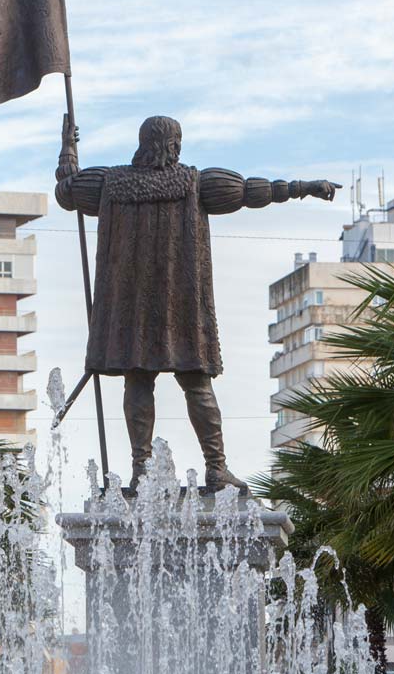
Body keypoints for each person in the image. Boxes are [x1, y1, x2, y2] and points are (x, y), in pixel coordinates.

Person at [55, 114, 338, 490]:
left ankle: (142, 472)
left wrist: (68, 150)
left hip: (129, 308)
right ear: (174, 145)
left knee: (138, 382)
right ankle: (215, 468)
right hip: (181, 304)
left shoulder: (111, 182)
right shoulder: (194, 182)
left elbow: (67, 189)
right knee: (197, 385)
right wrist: (304, 187)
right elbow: (255, 191)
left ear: (143, 144)